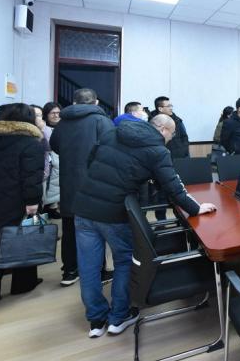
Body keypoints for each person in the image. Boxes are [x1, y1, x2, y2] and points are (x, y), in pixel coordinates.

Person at [73, 115, 217, 338]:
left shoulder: (114, 132)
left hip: (84, 207)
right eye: (172, 134)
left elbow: (91, 160)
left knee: (88, 266)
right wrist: (196, 209)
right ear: (163, 129)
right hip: (114, 212)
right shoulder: (157, 151)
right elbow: (174, 187)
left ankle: (96, 320)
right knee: (124, 260)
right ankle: (118, 317)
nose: (171, 139)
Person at [0, 103, 45, 304]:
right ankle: (23, 284)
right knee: (25, 237)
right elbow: (32, 176)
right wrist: (32, 201)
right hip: (19, 199)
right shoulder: (31, 143)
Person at [49, 88, 114, 287]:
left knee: (69, 229)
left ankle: (70, 271)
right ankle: (99, 272)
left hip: (69, 182)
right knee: (96, 231)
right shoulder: (102, 121)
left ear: (74, 103)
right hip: (95, 184)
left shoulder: (63, 122)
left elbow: (55, 145)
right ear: (96, 102)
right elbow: (111, 148)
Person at [150, 96, 190, 161]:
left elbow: (184, 137)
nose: (171, 108)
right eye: (168, 106)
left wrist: (183, 150)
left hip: (180, 157)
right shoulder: (152, 122)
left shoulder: (177, 120)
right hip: (162, 158)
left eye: (171, 106)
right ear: (160, 108)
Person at [41, 103, 62, 219]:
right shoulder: (42, 128)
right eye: (53, 113)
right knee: (46, 185)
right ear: (46, 114)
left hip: (59, 160)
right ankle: (44, 208)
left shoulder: (64, 126)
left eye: (58, 113)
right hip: (46, 161)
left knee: (56, 185)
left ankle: (53, 207)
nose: (56, 115)